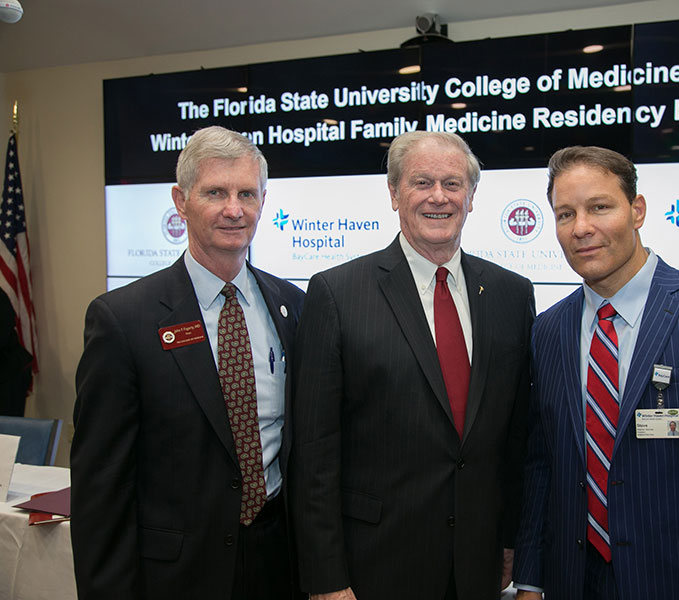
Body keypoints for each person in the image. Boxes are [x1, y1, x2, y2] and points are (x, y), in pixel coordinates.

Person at [513, 146, 679, 599]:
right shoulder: (549, 329)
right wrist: (531, 579)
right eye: (565, 214)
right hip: (573, 581)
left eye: (600, 207)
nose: (581, 228)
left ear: (637, 211)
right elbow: (543, 467)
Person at [290, 131, 534, 600]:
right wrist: (326, 579)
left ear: (472, 196)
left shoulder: (511, 293)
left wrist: (510, 542)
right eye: (422, 182)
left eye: (452, 183)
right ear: (394, 193)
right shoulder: (338, 294)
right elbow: (315, 455)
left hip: (478, 566)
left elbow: (516, 439)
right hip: (375, 567)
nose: (438, 197)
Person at [71, 126, 305, 600]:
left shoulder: (294, 306)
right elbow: (102, 487)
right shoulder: (123, 320)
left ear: (264, 200)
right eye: (215, 192)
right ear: (180, 201)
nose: (233, 209)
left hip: (280, 563)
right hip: (175, 575)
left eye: (246, 193)